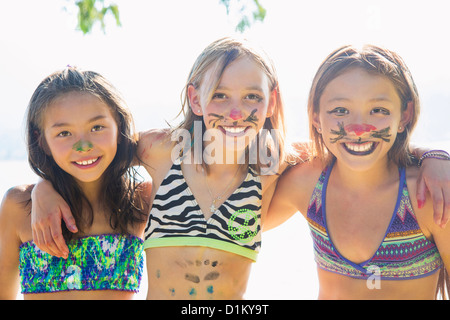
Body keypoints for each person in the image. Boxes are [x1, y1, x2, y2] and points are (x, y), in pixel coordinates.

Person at [30, 38, 450, 300]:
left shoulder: (276, 161)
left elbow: (358, 147)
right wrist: (43, 188)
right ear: (195, 100)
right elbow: (90, 155)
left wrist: (434, 157)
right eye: (220, 97)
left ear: (270, 103)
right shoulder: (160, 149)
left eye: (252, 97)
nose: (236, 112)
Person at [267, 44, 450, 299]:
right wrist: (274, 159)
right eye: (340, 111)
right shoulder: (308, 184)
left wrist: (434, 155)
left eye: (378, 110)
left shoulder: (429, 196)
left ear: (404, 115)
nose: (359, 129)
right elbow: (241, 228)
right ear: (317, 117)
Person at [0, 67, 151, 299]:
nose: (84, 146)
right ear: (41, 140)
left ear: (119, 127)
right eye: (64, 133)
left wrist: (43, 186)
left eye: (97, 127)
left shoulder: (141, 200)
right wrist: (42, 186)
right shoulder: (18, 206)